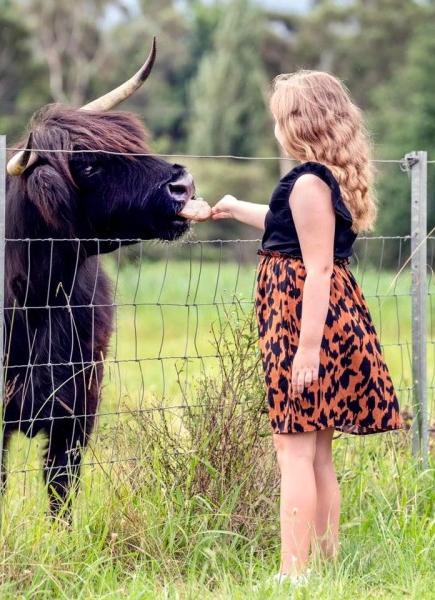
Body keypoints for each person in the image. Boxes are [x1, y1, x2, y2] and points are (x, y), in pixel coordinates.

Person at [211, 70, 402, 583]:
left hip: (302, 323)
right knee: (315, 450)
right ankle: (324, 568)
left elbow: (316, 269)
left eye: (279, 118)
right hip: (314, 318)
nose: (275, 127)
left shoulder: (308, 182)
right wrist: (230, 208)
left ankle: (293, 576)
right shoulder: (317, 180)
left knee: (293, 449)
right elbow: (288, 228)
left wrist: (307, 349)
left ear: (298, 124)